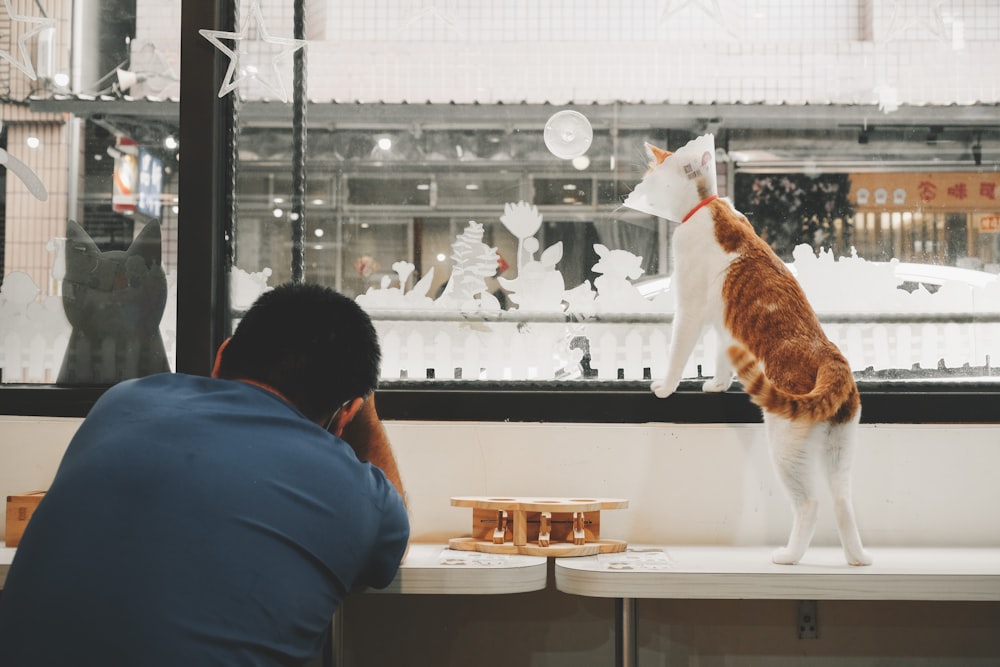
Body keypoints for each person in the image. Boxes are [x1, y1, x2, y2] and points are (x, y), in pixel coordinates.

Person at [0, 283, 409, 666]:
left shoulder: (123, 401)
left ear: (221, 357)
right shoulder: (355, 490)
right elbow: (388, 553)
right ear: (347, 413)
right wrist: (364, 412)